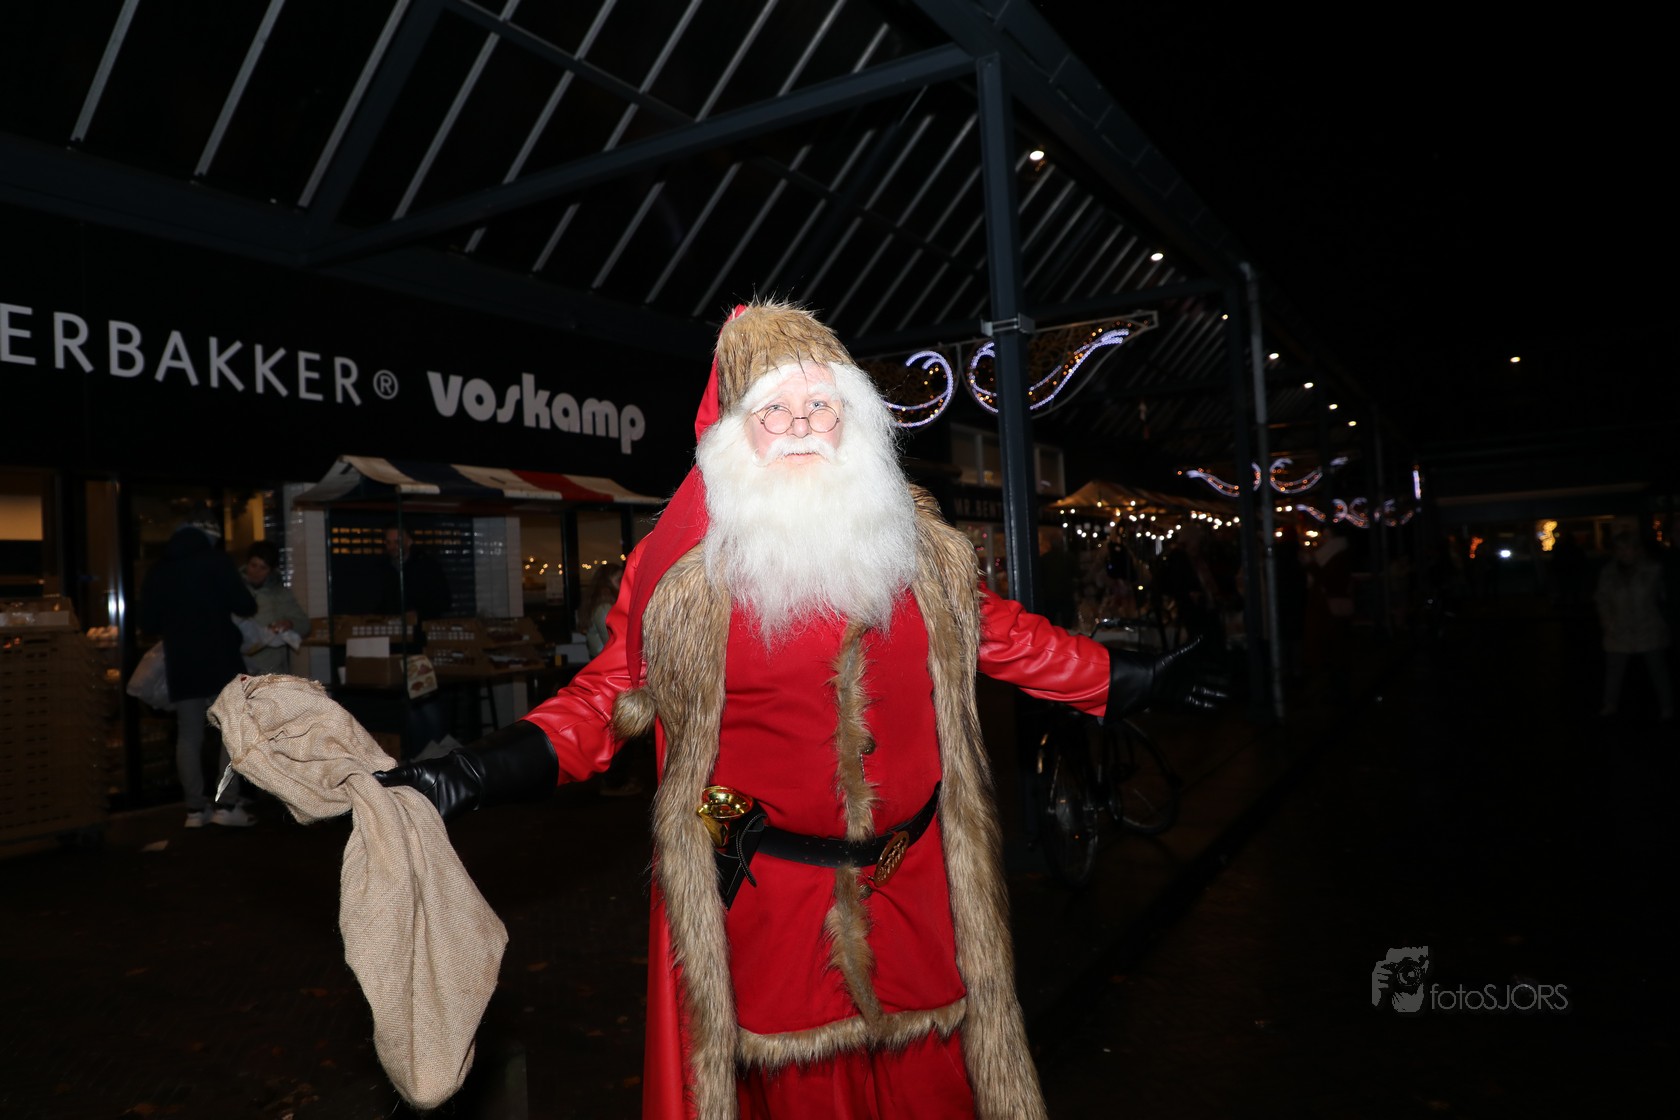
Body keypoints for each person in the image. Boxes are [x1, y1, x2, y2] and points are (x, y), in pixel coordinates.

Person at [378, 301, 1224, 1119]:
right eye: (773, 411)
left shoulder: (919, 550)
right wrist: (476, 772)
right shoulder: (682, 577)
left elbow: (1006, 637)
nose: (802, 426)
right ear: (732, 434)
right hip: (777, 912)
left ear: (854, 421)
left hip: (919, 895)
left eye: (822, 406)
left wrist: (1131, 679)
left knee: (937, 1091)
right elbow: (604, 699)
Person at [139, 520, 259, 828]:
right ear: (210, 538)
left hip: (181, 662)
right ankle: (226, 805)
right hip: (221, 659)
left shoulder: (160, 569)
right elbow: (245, 604)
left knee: (188, 735)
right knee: (230, 731)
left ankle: (194, 810)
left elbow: (148, 623)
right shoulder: (216, 561)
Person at [1594, 530, 1673, 721]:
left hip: (1648, 627)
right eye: (1619, 549)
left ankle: (1667, 706)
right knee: (1614, 670)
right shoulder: (1608, 573)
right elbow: (1601, 599)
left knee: (1658, 671)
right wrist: (1607, 622)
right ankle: (1610, 704)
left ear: (1637, 550)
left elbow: (1664, 597)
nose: (1623, 553)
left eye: (1627, 548)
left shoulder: (1653, 569)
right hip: (1618, 629)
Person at [238, 539, 311, 675]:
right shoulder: (232, 590)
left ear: (271, 571)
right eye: (253, 565)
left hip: (270, 671)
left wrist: (289, 624)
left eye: (263, 568)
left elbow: (304, 624)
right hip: (237, 668)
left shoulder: (280, 594)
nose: (256, 572)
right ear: (247, 564)